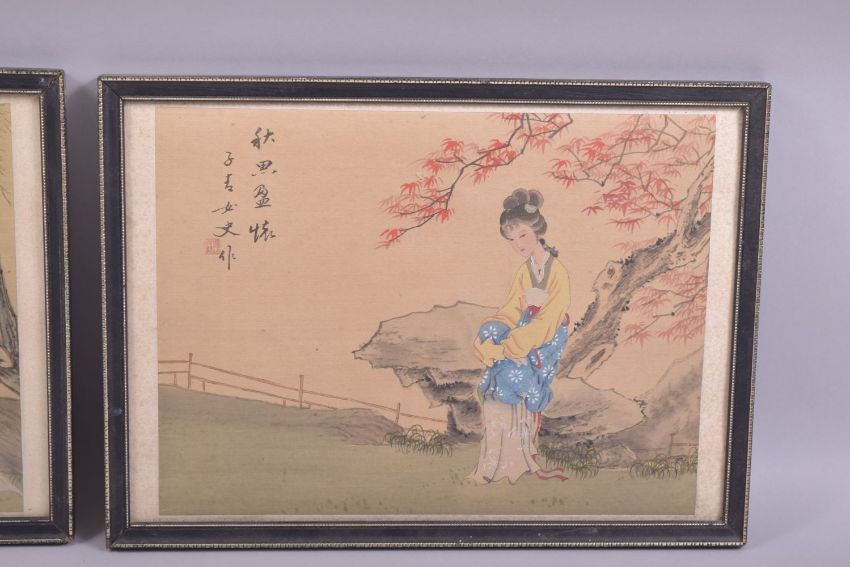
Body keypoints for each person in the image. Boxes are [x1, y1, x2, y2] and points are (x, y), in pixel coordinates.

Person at [468, 188, 571, 484]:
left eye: (522, 235)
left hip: (546, 339)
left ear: (537, 231)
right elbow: (511, 309)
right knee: (491, 333)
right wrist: (490, 339)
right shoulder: (524, 272)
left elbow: (550, 319)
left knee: (510, 373)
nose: (518, 245)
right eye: (512, 240)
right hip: (523, 334)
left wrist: (510, 346)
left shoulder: (557, 271)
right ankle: (497, 459)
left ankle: (512, 459)